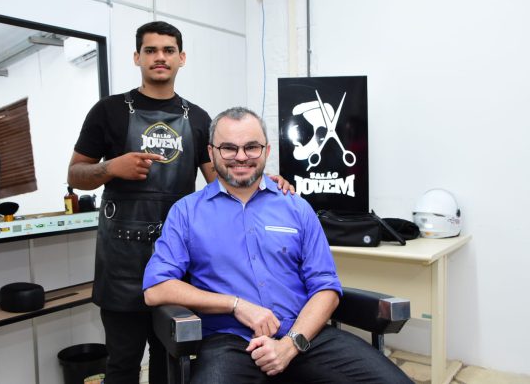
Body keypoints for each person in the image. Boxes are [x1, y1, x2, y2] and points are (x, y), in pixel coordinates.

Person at [67, 22, 292, 384]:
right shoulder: (107, 111)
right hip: (122, 263)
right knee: (122, 364)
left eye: (168, 50)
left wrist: (265, 180)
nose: (160, 57)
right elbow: (75, 175)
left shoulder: (199, 118)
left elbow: (224, 179)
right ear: (137, 57)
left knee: (171, 361)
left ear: (181, 58)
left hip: (179, 260)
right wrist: (112, 167)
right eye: (151, 50)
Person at [143, 107, 413, 384]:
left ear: (267, 151)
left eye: (251, 147)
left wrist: (291, 344)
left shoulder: (296, 207)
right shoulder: (187, 212)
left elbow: (326, 288)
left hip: (304, 335)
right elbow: (156, 289)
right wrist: (236, 305)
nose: (241, 157)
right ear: (211, 153)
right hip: (229, 342)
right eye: (229, 148)